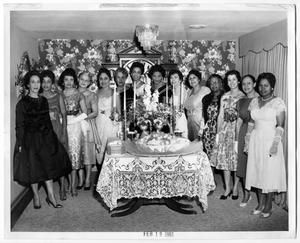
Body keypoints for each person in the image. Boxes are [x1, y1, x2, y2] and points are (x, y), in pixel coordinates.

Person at [13, 70, 71, 209]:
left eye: (38, 82)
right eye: (32, 82)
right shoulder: (22, 103)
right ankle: (36, 196)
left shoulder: (43, 100)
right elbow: (20, 125)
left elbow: (47, 121)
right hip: (29, 140)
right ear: (27, 84)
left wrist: (52, 137)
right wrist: (20, 143)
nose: (36, 84)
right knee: (34, 169)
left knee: (48, 166)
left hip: (45, 137)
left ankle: (51, 197)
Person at [244, 72, 286, 218]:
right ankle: (260, 203)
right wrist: (247, 140)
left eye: (266, 86)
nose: (263, 89)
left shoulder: (278, 102)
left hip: (270, 141)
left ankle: (268, 205)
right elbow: (251, 122)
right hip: (256, 140)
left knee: (269, 173)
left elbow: (281, 126)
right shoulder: (254, 101)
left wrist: (275, 144)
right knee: (257, 171)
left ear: (272, 87)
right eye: (260, 86)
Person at [210, 70, 245, 200]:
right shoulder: (224, 96)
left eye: (234, 79)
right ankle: (227, 188)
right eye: (229, 80)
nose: (231, 82)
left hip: (237, 130)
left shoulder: (243, 96)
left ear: (238, 81)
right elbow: (220, 115)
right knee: (225, 160)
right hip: (224, 131)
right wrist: (218, 133)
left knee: (235, 161)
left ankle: (235, 187)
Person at [58, 68, 88, 197]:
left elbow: (85, 112)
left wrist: (73, 120)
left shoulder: (79, 94)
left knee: (75, 156)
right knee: (64, 156)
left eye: (71, 79)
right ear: (63, 81)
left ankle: (73, 186)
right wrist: (63, 121)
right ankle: (65, 186)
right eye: (66, 79)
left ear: (74, 81)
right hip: (62, 126)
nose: (69, 82)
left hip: (75, 126)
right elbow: (57, 111)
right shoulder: (59, 95)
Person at [40, 70, 69, 201]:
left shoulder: (58, 96)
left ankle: (62, 187)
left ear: (52, 83)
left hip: (57, 130)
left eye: (48, 81)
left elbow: (64, 114)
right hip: (44, 133)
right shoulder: (38, 97)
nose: (46, 84)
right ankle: (50, 192)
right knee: (47, 161)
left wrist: (63, 132)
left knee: (60, 160)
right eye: (44, 81)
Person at [236, 75, 259, 207]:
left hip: (258, 132)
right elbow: (239, 121)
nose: (246, 86)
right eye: (244, 84)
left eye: (249, 83)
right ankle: (246, 194)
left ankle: (261, 195)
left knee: (256, 164)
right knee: (243, 163)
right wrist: (236, 139)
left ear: (254, 84)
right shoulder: (241, 101)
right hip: (244, 131)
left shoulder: (260, 99)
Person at [77, 72, 100, 191]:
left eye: (86, 80)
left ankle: (87, 179)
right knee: (77, 151)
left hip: (87, 124)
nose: (83, 82)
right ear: (78, 79)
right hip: (74, 125)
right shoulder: (73, 92)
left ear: (90, 82)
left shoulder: (92, 95)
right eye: (82, 79)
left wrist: (83, 118)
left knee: (87, 152)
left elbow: (95, 112)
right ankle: (80, 178)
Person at [95, 68, 121, 164]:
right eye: (101, 78)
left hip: (110, 124)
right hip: (98, 123)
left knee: (110, 149)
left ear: (110, 79)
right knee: (99, 148)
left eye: (105, 78)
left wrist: (115, 116)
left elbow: (119, 112)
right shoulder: (96, 93)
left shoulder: (115, 93)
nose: (103, 81)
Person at [183, 69, 211, 141]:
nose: (192, 80)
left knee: (200, 145)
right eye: (190, 79)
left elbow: (208, 109)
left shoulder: (205, 90)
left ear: (199, 79)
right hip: (189, 123)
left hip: (200, 123)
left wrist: (202, 127)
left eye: (194, 77)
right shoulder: (189, 92)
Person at [202, 74, 224, 160]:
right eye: (211, 83)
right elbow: (204, 115)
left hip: (220, 128)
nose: (213, 85)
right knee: (209, 152)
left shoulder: (225, 96)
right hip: (208, 129)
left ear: (221, 83)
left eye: (216, 82)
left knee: (219, 152)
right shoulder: (206, 98)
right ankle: (211, 172)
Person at [168, 69, 188, 137]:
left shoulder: (183, 91)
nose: (173, 79)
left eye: (175, 77)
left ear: (180, 79)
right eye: (171, 77)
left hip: (180, 118)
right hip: (172, 118)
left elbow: (183, 107)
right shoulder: (173, 90)